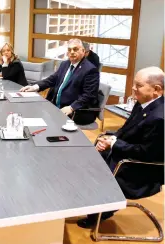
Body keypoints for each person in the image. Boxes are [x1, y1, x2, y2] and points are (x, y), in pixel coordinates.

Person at [78, 66, 164, 228]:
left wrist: (115, 144)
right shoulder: (143, 103)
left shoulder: (160, 118)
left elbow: (147, 154)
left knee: (92, 171)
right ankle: (85, 202)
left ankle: (99, 213)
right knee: (85, 161)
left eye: (138, 85)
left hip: (139, 169)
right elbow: (125, 130)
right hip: (126, 154)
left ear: (156, 90)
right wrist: (111, 139)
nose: (133, 88)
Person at [20, 38, 100, 125]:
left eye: (75, 49)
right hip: (56, 106)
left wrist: (72, 107)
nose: (72, 52)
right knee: (30, 114)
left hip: (77, 111)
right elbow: (52, 79)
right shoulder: (65, 64)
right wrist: (35, 87)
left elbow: (89, 95)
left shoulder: (90, 70)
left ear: (83, 51)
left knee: (44, 122)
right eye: (69, 50)